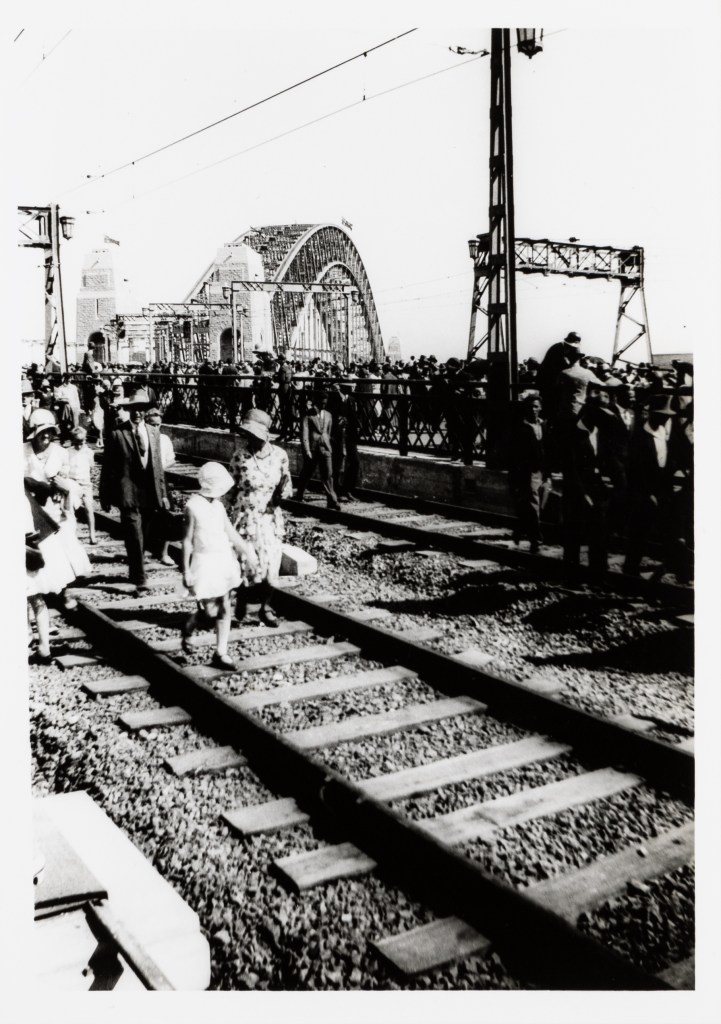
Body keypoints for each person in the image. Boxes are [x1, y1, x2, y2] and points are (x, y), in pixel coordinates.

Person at [180, 462, 259, 671]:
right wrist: (186, 570)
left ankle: (221, 652)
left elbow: (230, 532)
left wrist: (247, 551)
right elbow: (187, 540)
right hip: (205, 561)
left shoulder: (218, 505)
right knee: (210, 611)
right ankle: (189, 627)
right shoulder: (192, 507)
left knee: (225, 607)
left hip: (222, 558)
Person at [99, 386, 170, 593]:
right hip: (128, 492)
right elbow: (108, 467)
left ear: (146, 410)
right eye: (134, 409)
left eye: (142, 409)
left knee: (145, 536)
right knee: (134, 534)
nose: (138, 413)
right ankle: (140, 578)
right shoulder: (117, 434)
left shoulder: (154, 433)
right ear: (129, 410)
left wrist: (164, 494)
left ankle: (134, 567)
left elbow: (158, 466)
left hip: (150, 493)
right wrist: (104, 494)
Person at [227, 409, 293, 626]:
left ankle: (266, 607)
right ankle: (242, 607)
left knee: (271, 564)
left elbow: (287, 484)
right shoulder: (240, 456)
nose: (250, 438)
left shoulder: (280, 456)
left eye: (254, 434)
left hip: (269, 518)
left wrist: (283, 493)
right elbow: (229, 489)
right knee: (245, 563)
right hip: (245, 518)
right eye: (248, 434)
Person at [23, 409, 91, 610]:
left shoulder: (60, 452)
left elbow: (64, 478)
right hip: (30, 509)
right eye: (42, 431)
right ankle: (38, 594)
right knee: (36, 551)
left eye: (50, 431)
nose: (46, 435)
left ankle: (64, 591)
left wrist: (62, 488)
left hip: (54, 508)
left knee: (64, 547)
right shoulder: (21, 451)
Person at [509, 395, 549, 553]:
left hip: (543, 471)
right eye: (530, 406)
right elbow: (514, 453)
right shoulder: (520, 427)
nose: (533, 410)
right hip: (528, 472)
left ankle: (519, 531)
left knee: (539, 506)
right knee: (534, 507)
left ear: (540, 408)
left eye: (536, 406)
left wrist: (549, 471)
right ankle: (536, 541)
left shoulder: (544, 425)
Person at [294, 393, 340, 510]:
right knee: (307, 472)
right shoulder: (308, 415)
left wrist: (329, 445)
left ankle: (332, 500)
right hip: (313, 449)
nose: (323, 405)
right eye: (321, 403)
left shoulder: (329, 415)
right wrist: (307, 450)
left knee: (328, 474)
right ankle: (299, 494)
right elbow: (304, 434)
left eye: (325, 403)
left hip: (325, 448)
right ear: (316, 401)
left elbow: (328, 432)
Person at [327, 382, 360, 501]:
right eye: (351, 386)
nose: (353, 388)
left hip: (349, 435)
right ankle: (336, 490)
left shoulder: (351, 399)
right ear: (345, 387)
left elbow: (354, 417)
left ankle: (348, 489)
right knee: (338, 463)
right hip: (337, 435)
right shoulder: (333, 399)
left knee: (354, 462)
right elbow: (329, 416)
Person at [66, 426, 97, 544]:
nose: (79, 445)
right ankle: (72, 535)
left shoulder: (89, 452)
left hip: (85, 483)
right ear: (73, 441)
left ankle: (92, 535)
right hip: (73, 482)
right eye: (76, 442)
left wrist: (89, 480)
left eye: (81, 442)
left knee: (89, 508)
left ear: (85, 440)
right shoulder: (68, 452)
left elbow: (91, 468)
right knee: (71, 509)